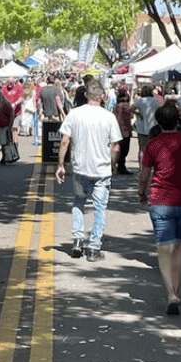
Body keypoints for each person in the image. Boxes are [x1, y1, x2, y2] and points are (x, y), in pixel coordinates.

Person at [138, 102, 181, 314]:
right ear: (178, 121)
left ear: (158, 122)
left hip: (160, 201)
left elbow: (144, 175)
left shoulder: (152, 144)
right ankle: (177, 288)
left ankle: (171, 293)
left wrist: (141, 193)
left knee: (164, 248)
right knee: (179, 246)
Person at [55, 80, 122, 262]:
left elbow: (65, 140)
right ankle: (93, 248)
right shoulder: (108, 117)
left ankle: (77, 240)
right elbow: (115, 146)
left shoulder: (75, 114)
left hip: (80, 168)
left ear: (86, 94)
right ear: (102, 96)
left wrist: (61, 165)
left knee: (78, 203)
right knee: (100, 208)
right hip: (101, 170)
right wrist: (113, 164)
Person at [133, 84, 159, 158]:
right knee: (153, 149)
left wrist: (138, 113)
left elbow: (130, 108)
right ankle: (151, 167)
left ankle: (141, 167)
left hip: (141, 127)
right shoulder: (155, 101)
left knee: (142, 149)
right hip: (153, 127)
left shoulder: (140, 101)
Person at [113, 87, 133, 174]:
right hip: (125, 129)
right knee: (125, 149)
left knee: (118, 147)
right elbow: (131, 116)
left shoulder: (116, 106)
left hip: (117, 128)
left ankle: (116, 165)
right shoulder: (127, 105)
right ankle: (121, 166)